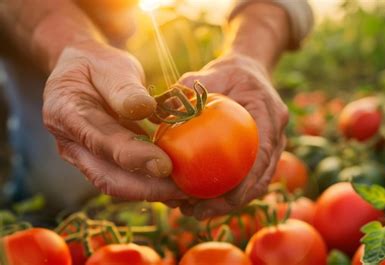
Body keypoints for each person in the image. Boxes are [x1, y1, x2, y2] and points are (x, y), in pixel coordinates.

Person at [0, 0, 313, 219]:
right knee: (59, 185)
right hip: (32, 15)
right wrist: (70, 46)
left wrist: (250, 56)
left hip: (112, 11)